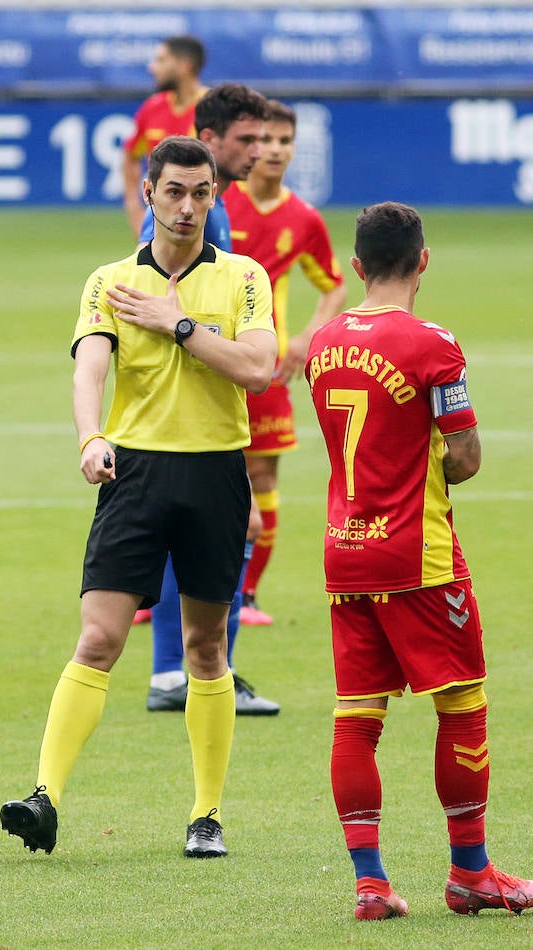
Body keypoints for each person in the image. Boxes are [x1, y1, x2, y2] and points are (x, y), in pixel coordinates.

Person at [0, 135, 277, 860]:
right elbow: (89, 369)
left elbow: (259, 369)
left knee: (205, 648)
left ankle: (207, 814)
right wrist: (91, 437)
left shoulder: (245, 277)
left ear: (215, 196)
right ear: (148, 192)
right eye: (174, 192)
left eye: (202, 193)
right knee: (99, 637)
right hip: (136, 476)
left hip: (216, 472)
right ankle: (44, 796)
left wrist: (178, 326)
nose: (188, 207)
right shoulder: (110, 280)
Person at [305, 202, 533, 921]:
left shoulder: (324, 342)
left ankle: (371, 884)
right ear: (423, 261)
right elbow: (466, 457)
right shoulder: (433, 345)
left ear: (355, 267)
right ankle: (471, 871)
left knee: (356, 718)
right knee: (463, 704)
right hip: (419, 556)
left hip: (344, 553)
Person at [138, 83, 280, 716]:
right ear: (213, 139)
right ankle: (190, 673)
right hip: (186, 422)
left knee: (193, 540)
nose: (260, 151)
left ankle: (184, 672)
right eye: (247, 139)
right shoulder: (189, 217)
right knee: (208, 537)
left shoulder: (208, 210)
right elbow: (168, 314)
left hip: (200, 411)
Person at [227, 100, 348, 626]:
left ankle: (247, 593)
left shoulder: (303, 219)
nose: (274, 150)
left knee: (262, 476)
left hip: (266, 368)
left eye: (284, 141)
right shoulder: (218, 201)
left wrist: (306, 337)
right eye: (265, 140)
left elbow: (334, 283)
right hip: (208, 361)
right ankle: (161, 594)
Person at [121, 35, 208, 238]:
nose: (152, 68)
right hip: (159, 219)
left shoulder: (212, 107)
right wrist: (134, 207)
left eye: (161, 60)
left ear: (184, 65)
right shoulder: (153, 107)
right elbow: (130, 156)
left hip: (203, 217)